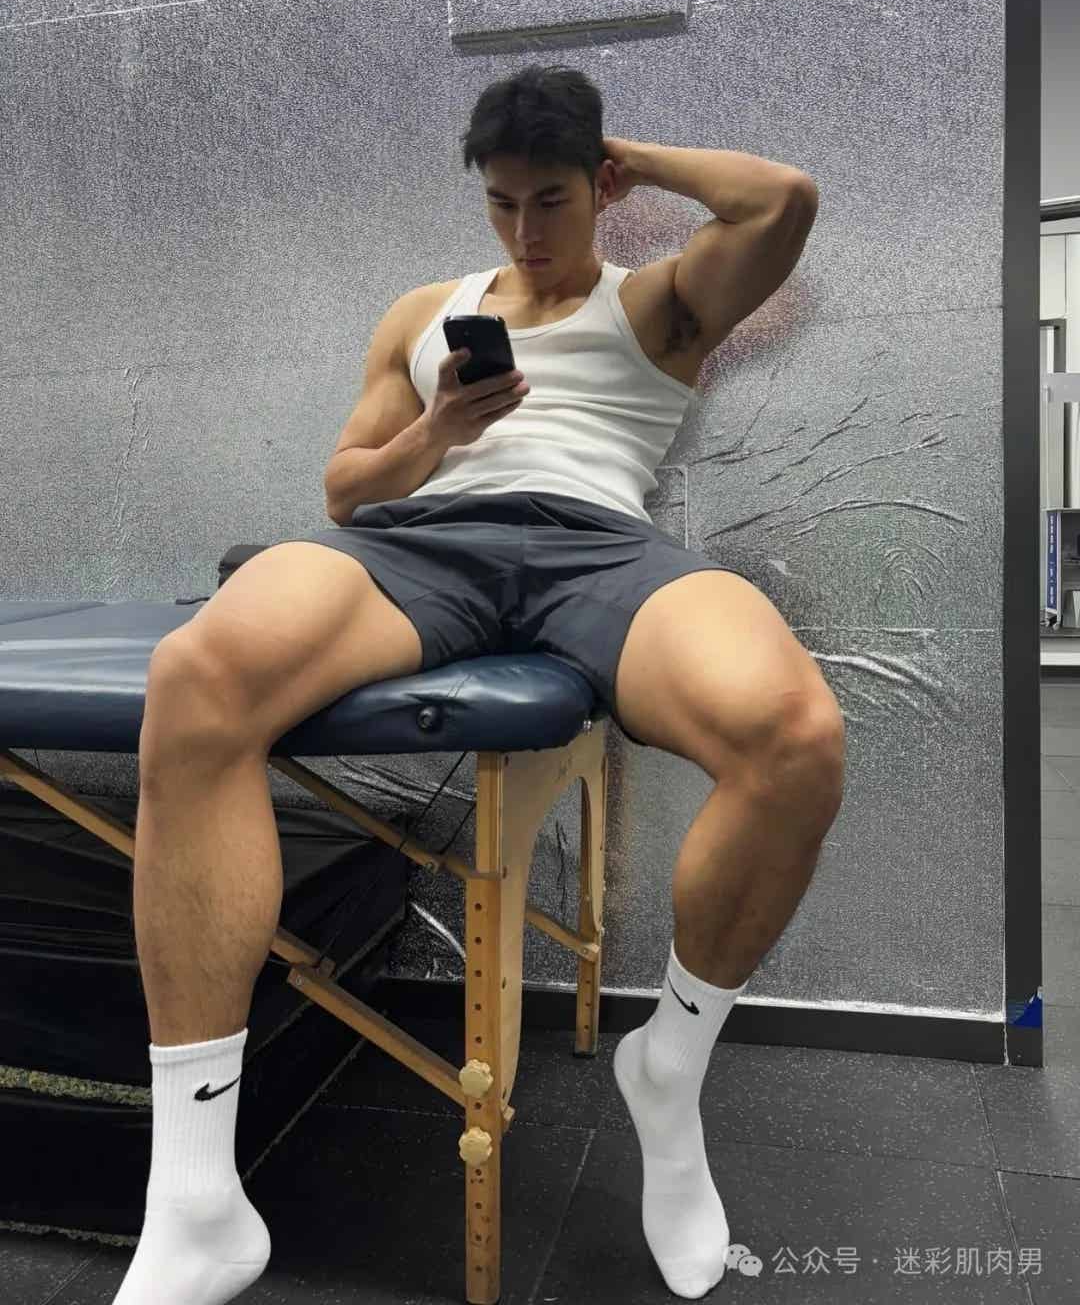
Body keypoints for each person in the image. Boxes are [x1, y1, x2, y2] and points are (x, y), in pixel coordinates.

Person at [114, 65, 844, 1304]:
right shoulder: (425, 312)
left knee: (796, 733)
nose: (526, 230)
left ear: (601, 186)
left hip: (599, 549)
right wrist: (438, 434)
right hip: (423, 545)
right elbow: (346, 489)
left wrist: (632, 154)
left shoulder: (661, 302)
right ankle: (192, 1199)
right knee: (196, 678)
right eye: (503, 202)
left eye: (551, 198)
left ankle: (668, 1063)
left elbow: (783, 201)